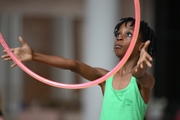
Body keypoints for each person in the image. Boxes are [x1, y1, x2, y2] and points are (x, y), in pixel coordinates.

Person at [1, 17, 157, 120]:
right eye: (118, 33)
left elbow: (141, 76)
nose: (119, 37)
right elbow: (73, 65)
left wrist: (140, 69)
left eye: (128, 34)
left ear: (142, 45)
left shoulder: (144, 81)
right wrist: (34, 55)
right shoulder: (105, 78)